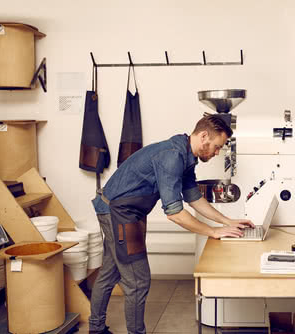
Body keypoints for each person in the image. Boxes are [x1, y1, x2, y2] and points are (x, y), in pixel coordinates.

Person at [88, 115, 254, 334]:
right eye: (216, 147)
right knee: (138, 282)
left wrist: (227, 221)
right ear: (204, 136)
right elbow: (174, 212)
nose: (216, 153)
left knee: (110, 272)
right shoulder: (172, 156)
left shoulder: (186, 156)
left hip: (129, 211)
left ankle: (95, 329)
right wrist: (213, 231)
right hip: (117, 212)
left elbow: (193, 198)